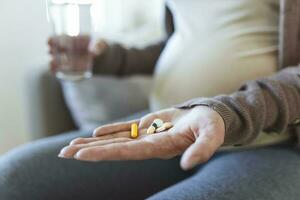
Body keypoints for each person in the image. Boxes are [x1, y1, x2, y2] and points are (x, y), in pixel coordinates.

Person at [1, 0, 300, 199]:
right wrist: (110, 59)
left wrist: (229, 113)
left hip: (270, 144)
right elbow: (185, 42)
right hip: (163, 131)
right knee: (10, 177)